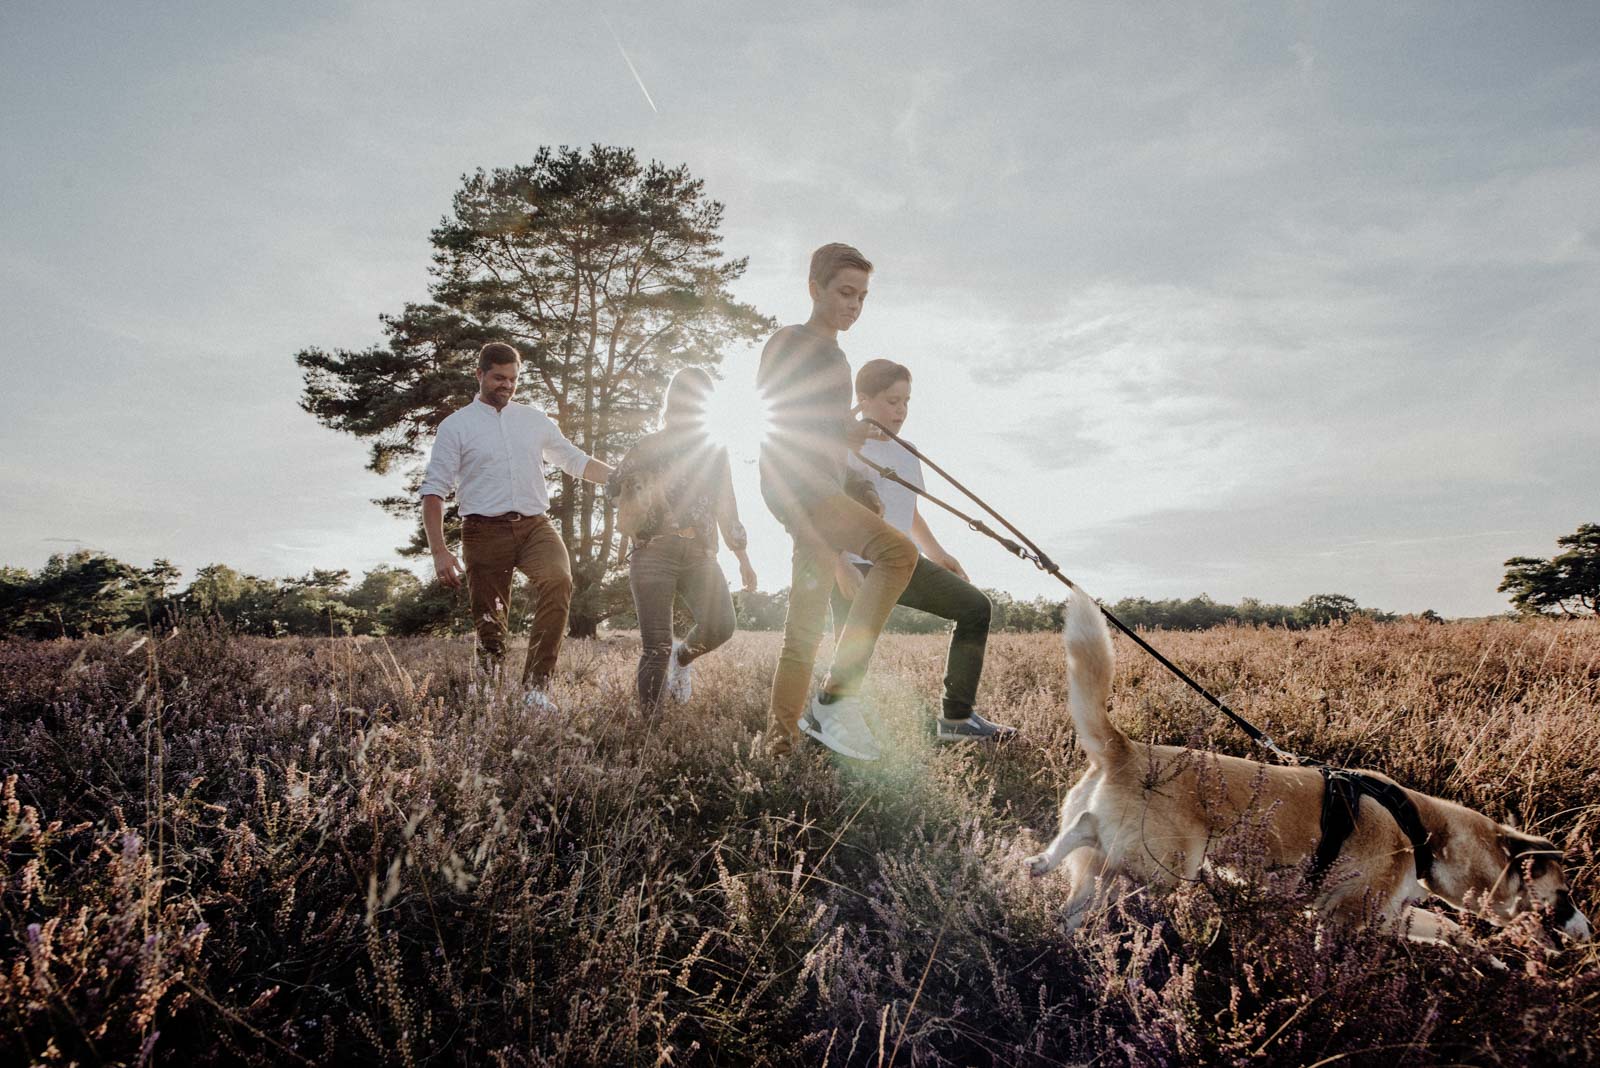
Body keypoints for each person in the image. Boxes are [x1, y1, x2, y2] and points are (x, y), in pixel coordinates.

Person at [756, 243, 918, 761]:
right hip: (802, 493)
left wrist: (851, 459)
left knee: (802, 632)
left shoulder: (840, 358)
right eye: (845, 292)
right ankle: (836, 698)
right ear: (815, 289)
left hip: (819, 495)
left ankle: (778, 749)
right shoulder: (791, 341)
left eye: (863, 296)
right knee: (900, 555)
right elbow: (779, 420)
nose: (854, 305)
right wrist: (837, 434)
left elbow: (823, 438)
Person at [419, 341, 613, 708]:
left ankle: (535, 690)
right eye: (498, 378)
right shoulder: (456, 427)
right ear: (479, 375)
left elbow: (574, 460)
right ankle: (489, 696)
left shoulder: (534, 421)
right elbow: (433, 492)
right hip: (482, 531)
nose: (506, 385)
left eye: (512, 379)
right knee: (491, 623)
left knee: (559, 578)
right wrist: (439, 551)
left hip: (535, 526)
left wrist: (618, 478)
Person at [831, 360, 1016, 741]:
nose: (900, 411)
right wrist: (838, 564)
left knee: (975, 607)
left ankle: (958, 720)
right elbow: (822, 506)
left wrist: (936, 552)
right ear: (863, 400)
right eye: (891, 401)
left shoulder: (907, 450)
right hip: (858, 563)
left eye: (906, 402)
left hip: (903, 559)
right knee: (850, 655)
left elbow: (908, 509)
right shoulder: (842, 446)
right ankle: (832, 727)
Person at [610, 367, 758, 711]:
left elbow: (727, 503)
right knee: (656, 646)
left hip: (699, 552)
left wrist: (743, 558)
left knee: (721, 624)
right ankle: (650, 730)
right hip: (653, 553)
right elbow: (613, 486)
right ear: (673, 401)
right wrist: (635, 506)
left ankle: (684, 657)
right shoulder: (648, 446)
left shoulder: (714, 451)